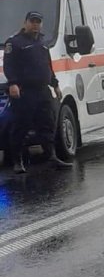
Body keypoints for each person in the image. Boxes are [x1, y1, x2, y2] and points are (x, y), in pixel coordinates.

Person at [3, 10, 72, 172]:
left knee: (48, 123)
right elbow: (9, 66)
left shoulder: (42, 43)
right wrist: (13, 83)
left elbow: (47, 66)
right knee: (21, 125)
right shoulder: (15, 43)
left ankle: (51, 157)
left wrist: (55, 84)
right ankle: (18, 161)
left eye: (38, 22)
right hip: (25, 92)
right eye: (32, 21)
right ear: (25, 23)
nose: (35, 25)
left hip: (42, 91)